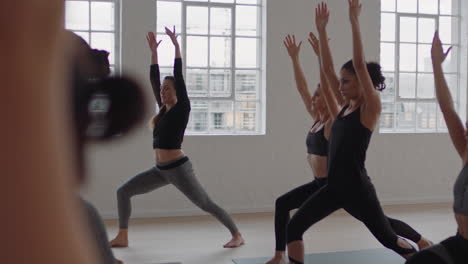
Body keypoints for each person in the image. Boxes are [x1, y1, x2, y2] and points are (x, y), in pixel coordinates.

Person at [109, 27, 244, 249]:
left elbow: (178, 75)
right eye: (162, 89)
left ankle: (237, 234)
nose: (163, 91)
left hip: (179, 169)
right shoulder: (163, 110)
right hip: (160, 171)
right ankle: (122, 235)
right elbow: (153, 77)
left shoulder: (183, 109)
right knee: (123, 191)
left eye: (168, 89)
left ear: (177, 92)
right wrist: (153, 52)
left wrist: (176, 47)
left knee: (205, 203)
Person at [404, 31, 468, 264]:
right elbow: (447, 109)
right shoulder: (466, 153)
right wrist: (436, 65)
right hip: (461, 243)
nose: (465, 129)